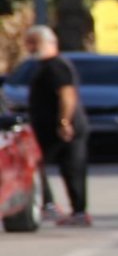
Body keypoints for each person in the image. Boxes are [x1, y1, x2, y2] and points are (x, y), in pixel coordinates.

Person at [22, 25, 90, 226]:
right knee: (39, 165)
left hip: (64, 129)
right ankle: (49, 204)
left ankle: (77, 212)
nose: (30, 47)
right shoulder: (45, 66)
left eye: (34, 42)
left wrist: (65, 121)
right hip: (50, 129)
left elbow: (67, 95)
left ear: (48, 43)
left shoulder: (55, 66)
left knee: (72, 169)